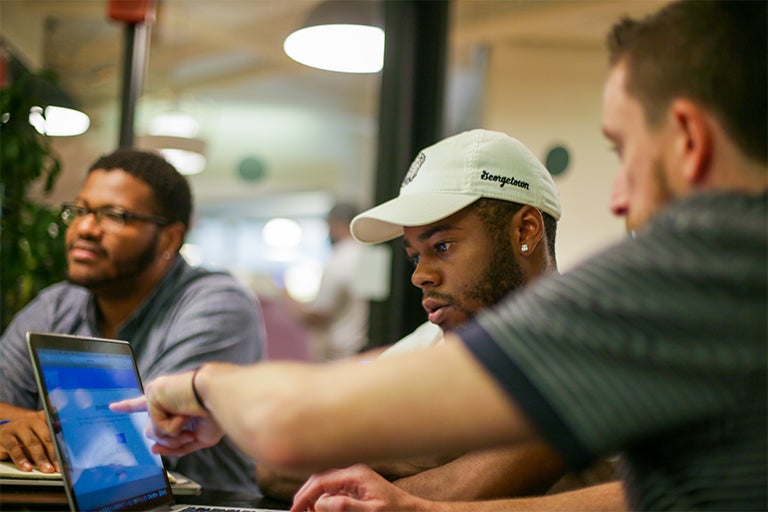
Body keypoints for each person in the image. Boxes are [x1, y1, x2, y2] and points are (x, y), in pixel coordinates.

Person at [112, 1, 767, 510]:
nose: (619, 197)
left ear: (685, 137)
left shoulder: (708, 269)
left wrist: (201, 385)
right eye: (414, 252)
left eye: (623, 151)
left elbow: (295, 426)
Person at [257, 129, 618, 503]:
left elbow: (468, 490)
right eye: (414, 255)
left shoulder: (594, 339)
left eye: (442, 246)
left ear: (525, 231)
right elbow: (277, 459)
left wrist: (381, 445)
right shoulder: (433, 340)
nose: (419, 275)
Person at [0, 148, 266, 496]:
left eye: (113, 215)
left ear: (169, 238)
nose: (85, 228)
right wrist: (16, 426)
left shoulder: (217, 304)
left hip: (199, 503)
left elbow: (143, 434)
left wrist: (34, 425)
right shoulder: (55, 305)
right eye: (80, 211)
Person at [286, 202, 369, 361]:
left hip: (340, 356)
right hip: (364, 351)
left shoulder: (340, 258)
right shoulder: (368, 255)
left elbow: (319, 316)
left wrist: (286, 299)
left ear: (335, 224)